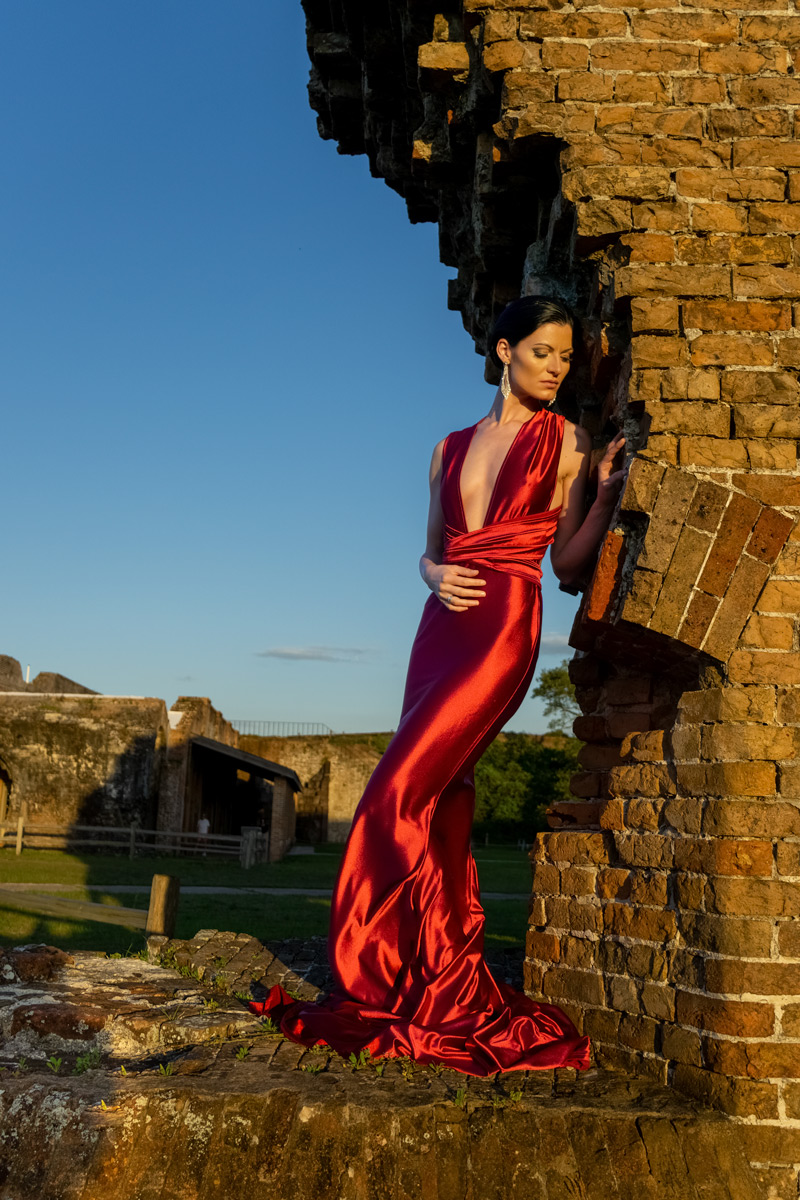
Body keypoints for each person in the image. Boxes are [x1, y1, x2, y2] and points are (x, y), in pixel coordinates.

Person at [251, 295, 626, 1074]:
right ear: (502, 351)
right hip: (439, 628)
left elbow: (564, 567)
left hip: (502, 630)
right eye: (542, 353)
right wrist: (433, 571)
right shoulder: (446, 448)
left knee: (396, 790)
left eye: (564, 357)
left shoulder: (567, 443)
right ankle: (439, 973)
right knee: (446, 797)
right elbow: (428, 551)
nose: (556, 368)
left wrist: (609, 493)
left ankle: (369, 971)